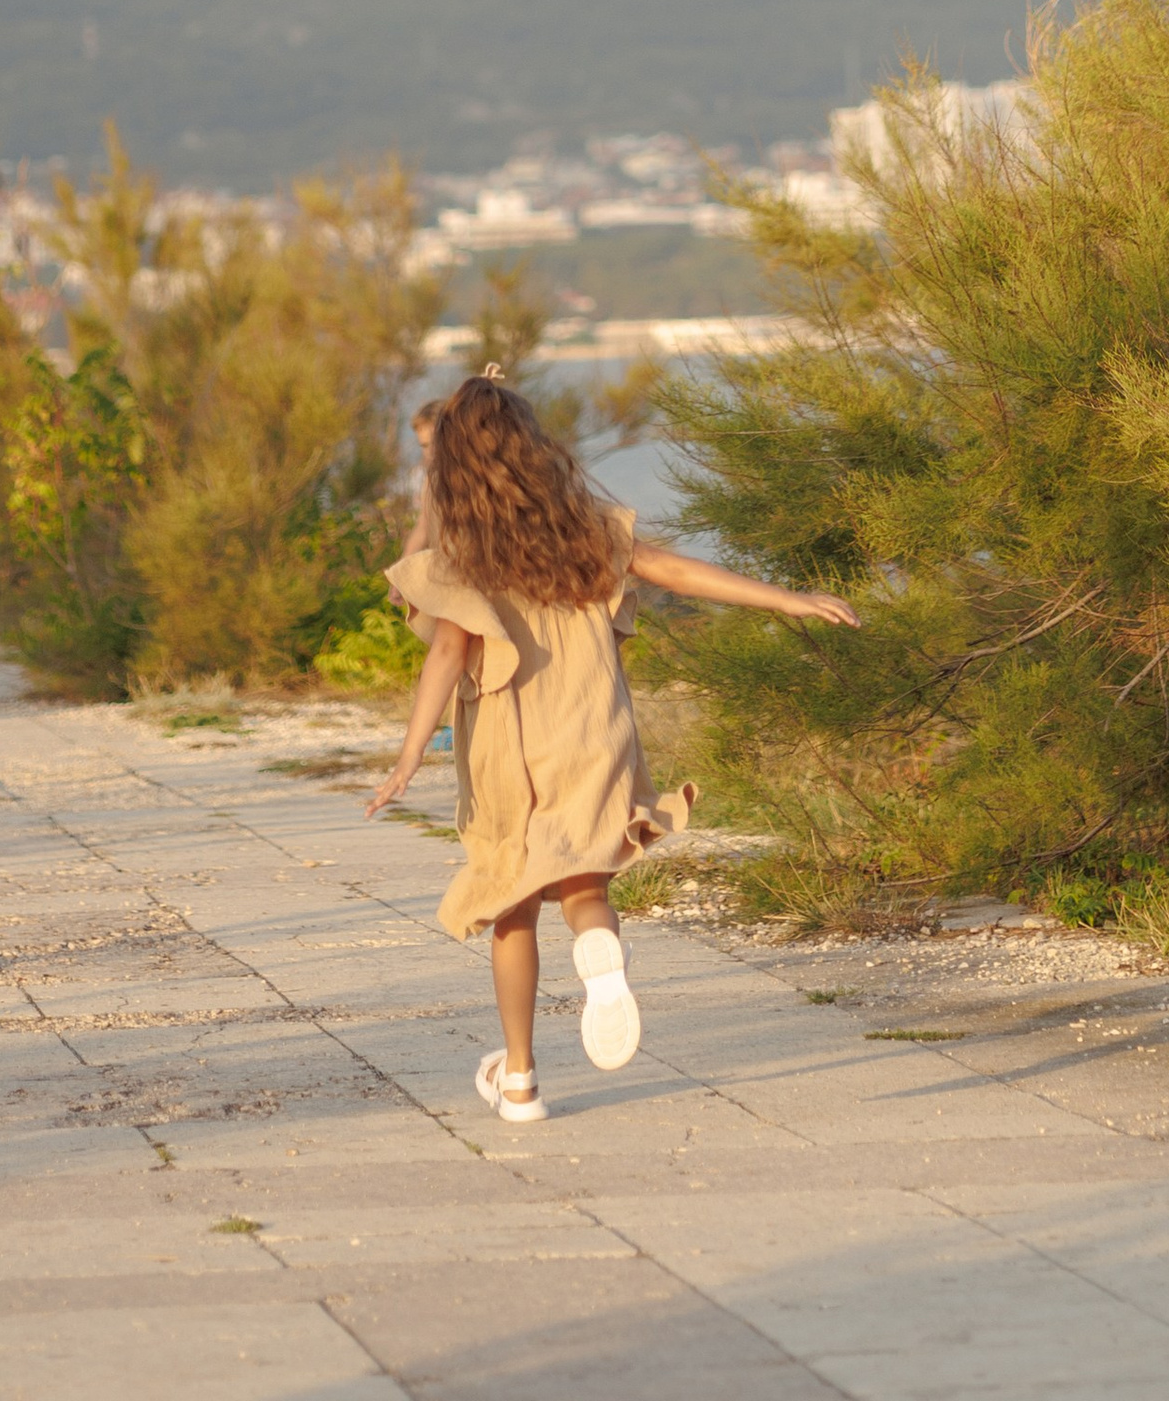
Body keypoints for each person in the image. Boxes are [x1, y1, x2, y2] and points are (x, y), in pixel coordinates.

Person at [365, 367, 857, 1123]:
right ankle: (600, 957)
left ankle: (520, 1080)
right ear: (534, 449)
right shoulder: (585, 529)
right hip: (594, 731)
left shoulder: (463, 551)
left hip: (508, 751)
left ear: (454, 464)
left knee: (511, 906)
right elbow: (676, 571)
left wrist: (407, 758)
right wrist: (788, 598)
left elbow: (447, 655)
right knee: (585, 886)